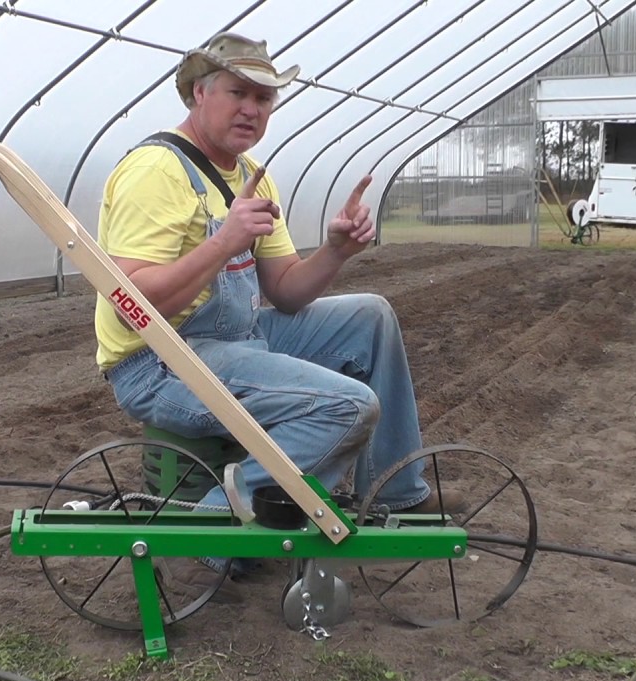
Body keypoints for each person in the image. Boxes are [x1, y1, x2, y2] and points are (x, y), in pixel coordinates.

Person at [93, 32, 465, 591]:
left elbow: (287, 291)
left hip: (233, 338)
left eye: (264, 99)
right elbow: (130, 309)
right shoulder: (157, 172)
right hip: (160, 362)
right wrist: (221, 243)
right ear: (199, 93)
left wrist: (336, 250)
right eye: (238, 92)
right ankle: (220, 518)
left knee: (371, 316)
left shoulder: (249, 175)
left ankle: (393, 495)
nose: (252, 109)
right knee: (348, 407)